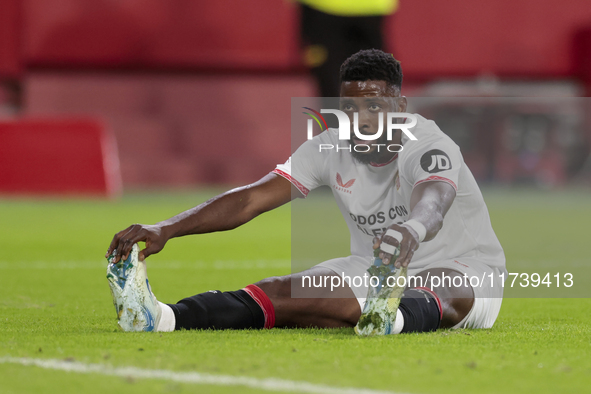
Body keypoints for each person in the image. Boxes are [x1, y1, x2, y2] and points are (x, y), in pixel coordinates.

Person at [106, 49, 506, 335]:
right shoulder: (328, 146)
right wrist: (167, 228)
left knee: (442, 286)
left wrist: (412, 231)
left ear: (400, 106)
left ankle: (390, 317)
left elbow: (434, 203)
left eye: (375, 107)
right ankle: (159, 318)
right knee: (283, 292)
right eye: (350, 108)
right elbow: (250, 199)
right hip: (373, 270)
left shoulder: (428, 143)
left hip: (465, 270)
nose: (362, 120)